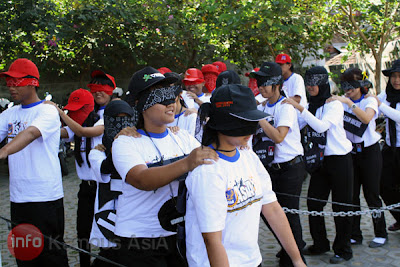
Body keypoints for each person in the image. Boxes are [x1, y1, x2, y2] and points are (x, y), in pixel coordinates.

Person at [185, 83, 306, 267]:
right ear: (225, 123)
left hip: (252, 260)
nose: (250, 131)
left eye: (252, 122)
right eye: (243, 123)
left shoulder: (248, 156)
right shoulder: (208, 170)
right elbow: (212, 240)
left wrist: (297, 260)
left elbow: (272, 209)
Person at [111, 67, 218, 266]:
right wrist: (187, 162)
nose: (171, 103)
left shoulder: (182, 137)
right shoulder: (126, 141)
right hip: (140, 239)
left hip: (178, 232)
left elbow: (209, 164)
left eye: (173, 96)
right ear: (139, 103)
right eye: (161, 97)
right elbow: (142, 179)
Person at [0, 58, 69, 266]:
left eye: (17, 82)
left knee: (51, 257)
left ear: (33, 83)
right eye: (9, 82)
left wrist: (3, 151)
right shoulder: (9, 113)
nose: (11, 87)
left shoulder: (47, 111)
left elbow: (30, 133)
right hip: (18, 198)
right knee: (25, 256)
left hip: (45, 197)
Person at [284, 66, 354, 264]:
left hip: (340, 159)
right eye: (307, 82)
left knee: (342, 206)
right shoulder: (311, 105)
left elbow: (321, 126)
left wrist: (300, 108)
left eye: (314, 82)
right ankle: (320, 243)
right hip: (319, 161)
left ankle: (343, 249)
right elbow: (298, 125)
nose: (310, 86)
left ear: (323, 82)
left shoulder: (333, 104)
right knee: (314, 203)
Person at [250, 62, 306, 267]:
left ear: (276, 84)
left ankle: (296, 259)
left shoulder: (285, 107)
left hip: (290, 167)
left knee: (290, 216)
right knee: (271, 214)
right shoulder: (263, 105)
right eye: (259, 83)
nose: (261, 87)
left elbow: (279, 137)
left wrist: (261, 119)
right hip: (271, 168)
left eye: (265, 83)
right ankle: (289, 249)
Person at [329, 68, 387, 248]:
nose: (348, 90)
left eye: (352, 87)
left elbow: (367, 118)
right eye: (345, 86)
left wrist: (349, 102)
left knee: (372, 194)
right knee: (352, 196)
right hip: (351, 153)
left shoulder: (369, 100)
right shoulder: (342, 102)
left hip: (370, 152)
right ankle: (355, 233)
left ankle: (380, 232)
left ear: (361, 85)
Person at [48, 88, 104, 267]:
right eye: (70, 111)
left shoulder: (101, 123)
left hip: (103, 188)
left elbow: (81, 131)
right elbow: (59, 133)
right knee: (83, 233)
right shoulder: (74, 129)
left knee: (107, 232)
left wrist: (58, 111)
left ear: (88, 108)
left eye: (77, 110)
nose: (73, 114)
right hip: (85, 189)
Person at [88, 99, 136, 266]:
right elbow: (105, 168)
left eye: (125, 119)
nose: (121, 124)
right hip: (108, 211)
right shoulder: (97, 153)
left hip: (133, 211)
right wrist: (117, 145)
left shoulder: (139, 147)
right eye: (116, 119)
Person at [370, 59, 400, 232]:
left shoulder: (383, 101)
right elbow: (373, 105)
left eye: (399, 76)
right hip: (390, 148)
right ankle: (399, 217)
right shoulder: (385, 96)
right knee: (382, 184)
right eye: (393, 76)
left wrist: (380, 105)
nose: (396, 80)